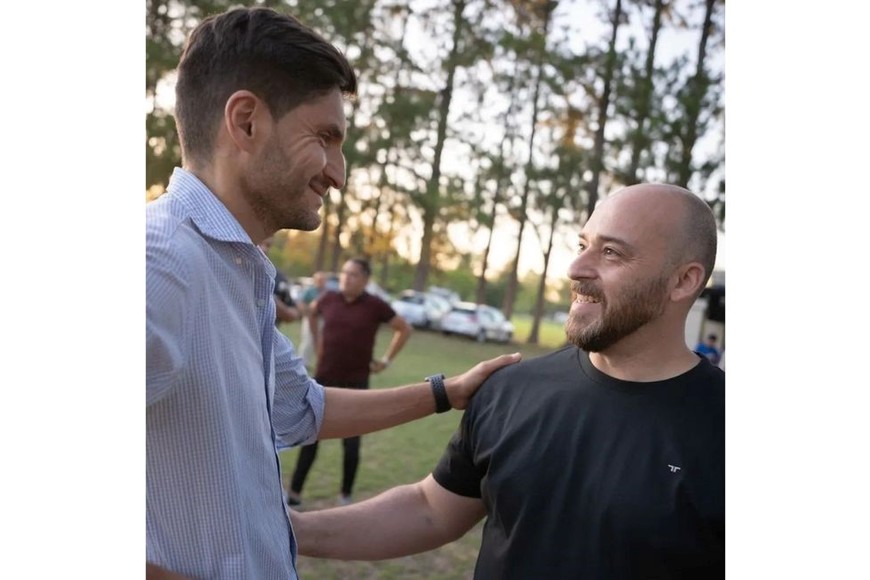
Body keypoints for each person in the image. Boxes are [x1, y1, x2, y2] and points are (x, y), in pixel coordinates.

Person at [145, 7, 521, 579]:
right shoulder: (159, 264)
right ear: (245, 122)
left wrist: (448, 392)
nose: (338, 173)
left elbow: (304, 407)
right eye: (325, 137)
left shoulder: (235, 270)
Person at [291, 183, 725, 579]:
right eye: (582, 244)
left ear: (682, 281)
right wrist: (291, 530)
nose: (576, 268)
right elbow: (431, 510)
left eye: (611, 252)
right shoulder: (510, 388)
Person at [287, 257, 411, 506]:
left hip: (356, 383)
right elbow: (311, 312)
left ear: (365, 279)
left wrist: (385, 361)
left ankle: (345, 495)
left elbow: (404, 328)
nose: (346, 278)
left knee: (352, 444)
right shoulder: (328, 299)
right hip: (324, 379)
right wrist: (316, 339)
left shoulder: (375, 305)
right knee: (310, 438)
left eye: (353, 274)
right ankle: (294, 495)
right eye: (344, 273)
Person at [259, 236, 301, 325]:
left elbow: (295, 313)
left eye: (268, 245)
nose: (264, 249)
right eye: (260, 243)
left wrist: (273, 304)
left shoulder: (278, 277)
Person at [297, 271, 327, 367]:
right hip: (310, 318)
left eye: (322, 280)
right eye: (318, 280)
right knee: (308, 340)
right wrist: (306, 311)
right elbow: (301, 303)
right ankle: (303, 362)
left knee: (323, 340)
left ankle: (321, 362)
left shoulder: (327, 292)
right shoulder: (310, 291)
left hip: (323, 319)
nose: (320, 282)